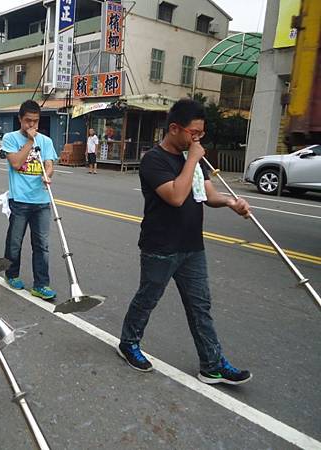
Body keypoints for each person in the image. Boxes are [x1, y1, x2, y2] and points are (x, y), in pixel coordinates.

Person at [117, 98, 252, 385]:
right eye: (194, 133)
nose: (198, 139)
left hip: (192, 247)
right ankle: (129, 342)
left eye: (201, 134)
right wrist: (192, 158)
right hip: (160, 247)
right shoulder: (154, 160)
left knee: (200, 306)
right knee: (147, 299)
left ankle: (212, 364)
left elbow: (207, 194)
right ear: (175, 128)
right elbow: (176, 196)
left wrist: (231, 202)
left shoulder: (194, 159)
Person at [3, 100, 57, 301]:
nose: (31, 126)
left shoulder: (47, 141)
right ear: (20, 119)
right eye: (27, 121)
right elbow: (16, 163)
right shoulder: (10, 138)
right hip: (19, 199)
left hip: (41, 201)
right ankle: (11, 273)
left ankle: (41, 284)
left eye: (35, 121)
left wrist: (48, 174)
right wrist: (30, 142)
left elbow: (49, 164)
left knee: (42, 244)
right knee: (15, 241)